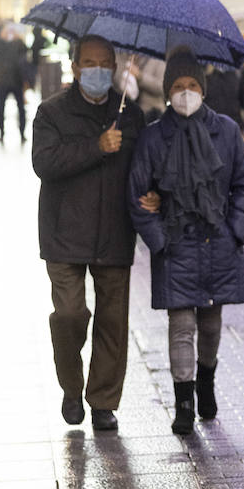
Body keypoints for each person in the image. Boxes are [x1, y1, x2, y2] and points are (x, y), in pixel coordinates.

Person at [128, 47, 244, 435]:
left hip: (219, 241)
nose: (186, 92)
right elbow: (137, 192)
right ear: (167, 91)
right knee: (181, 325)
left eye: (192, 85)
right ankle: (183, 401)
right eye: (178, 86)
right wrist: (158, 240)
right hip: (177, 244)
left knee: (212, 323)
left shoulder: (227, 130)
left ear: (203, 88)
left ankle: (206, 384)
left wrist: (237, 230)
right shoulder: (154, 137)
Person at [32, 35, 144, 431]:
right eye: (88, 63)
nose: (96, 70)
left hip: (115, 231)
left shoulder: (130, 114)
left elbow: (144, 167)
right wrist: (96, 146)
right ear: (75, 67)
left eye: (104, 63)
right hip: (64, 232)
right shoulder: (52, 112)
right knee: (69, 314)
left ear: (114, 67)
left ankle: (102, 401)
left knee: (112, 321)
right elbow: (44, 163)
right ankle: (70, 385)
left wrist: (153, 196)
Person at [0, 21, 30, 143]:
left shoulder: (19, 44)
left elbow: (26, 54)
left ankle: (22, 133)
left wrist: (19, 37)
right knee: (1, 108)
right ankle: (1, 132)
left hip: (17, 80)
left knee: (21, 108)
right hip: (3, 81)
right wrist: (1, 38)